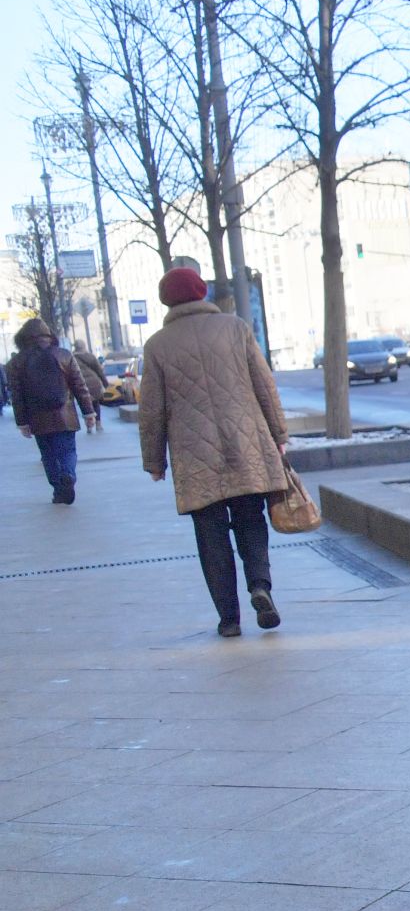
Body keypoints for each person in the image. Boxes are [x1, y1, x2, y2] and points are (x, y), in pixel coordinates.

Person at [139, 266, 292, 640]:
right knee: (250, 517)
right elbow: (264, 385)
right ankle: (260, 585)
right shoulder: (236, 328)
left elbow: (151, 409)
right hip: (245, 443)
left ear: (166, 300)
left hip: (195, 457)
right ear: (201, 292)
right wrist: (279, 433)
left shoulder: (157, 345)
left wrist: (154, 461)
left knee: (209, 534)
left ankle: (229, 619)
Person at [9, 319, 98, 504]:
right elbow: (79, 386)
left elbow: (16, 395)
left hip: (37, 418)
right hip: (65, 415)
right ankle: (68, 474)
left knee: (48, 454)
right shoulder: (64, 355)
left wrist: (22, 422)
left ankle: (58, 490)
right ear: (49, 335)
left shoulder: (17, 362)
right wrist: (88, 413)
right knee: (67, 451)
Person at [72, 345, 108, 428]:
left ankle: (89, 425)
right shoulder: (90, 356)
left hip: (80, 383)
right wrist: (105, 383)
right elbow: (99, 370)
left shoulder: (72, 357)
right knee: (96, 403)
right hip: (94, 382)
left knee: (84, 403)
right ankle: (98, 423)